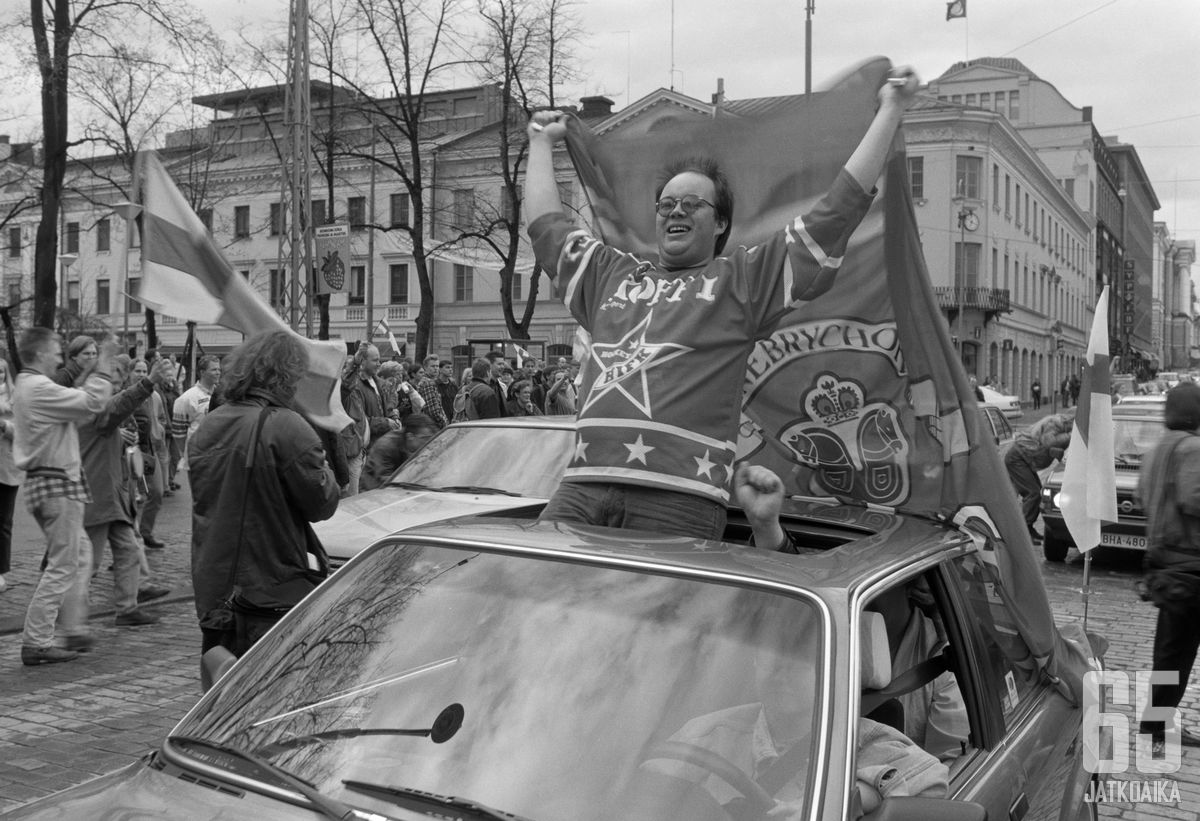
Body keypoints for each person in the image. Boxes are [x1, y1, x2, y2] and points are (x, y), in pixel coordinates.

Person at [524, 69, 920, 539]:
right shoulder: (610, 276)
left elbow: (836, 211)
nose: (675, 211)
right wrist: (539, 144)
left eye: (692, 204)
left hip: (679, 498)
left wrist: (891, 111)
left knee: (666, 614)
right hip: (582, 487)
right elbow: (548, 229)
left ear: (719, 224)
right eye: (666, 204)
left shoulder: (741, 281)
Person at [189, 330, 340, 657]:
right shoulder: (286, 426)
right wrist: (326, 463)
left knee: (220, 693)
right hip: (266, 591)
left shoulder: (209, 425)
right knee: (269, 694)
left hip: (214, 586)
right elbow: (323, 502)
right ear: (287, 376)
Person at [14, 329, 115, 665]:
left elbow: (77, 406)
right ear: (41, 353)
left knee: (80, 555)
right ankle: (37, 641)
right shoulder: (37, 387)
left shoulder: (30, 386)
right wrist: (103, 367)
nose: (60, 357)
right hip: (57, 486)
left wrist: (91, 372)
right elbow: (90, 403)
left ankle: (72, 627)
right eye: (56, 350)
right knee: (63, 564)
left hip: (49, 485)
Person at [79, 354, 174, 628]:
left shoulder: (94, 404)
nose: (111, 383)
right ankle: (69, 618)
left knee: (128, 550)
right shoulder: (91, 406)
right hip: (96, 496)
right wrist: (149, 382)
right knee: (89, 563)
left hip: (110, 496)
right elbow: (116, 408)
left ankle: (127, 608)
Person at [1136, 383, 1200, 750]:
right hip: (1191, 564)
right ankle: (1158, 725)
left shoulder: (1159, 448)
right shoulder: (1192, 448)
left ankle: (1156, 723)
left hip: (1165, 563)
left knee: (1171, 651)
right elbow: (1195, 500)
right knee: (1177, 652)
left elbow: (1142, 495)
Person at [1004, 410, 1075, 545]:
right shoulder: (1054, 423)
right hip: (1017, 458)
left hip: (1024, 458)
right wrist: (1072, 435)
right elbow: (1049, 442)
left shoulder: (1062, 427)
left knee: (1037, 492)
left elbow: (1050, 448)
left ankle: (1028, 528)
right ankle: (1023, 533)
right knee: (1033, 493)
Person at [341, 343, 401, 495]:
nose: (379, 364)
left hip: (378, 449)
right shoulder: (355, 386)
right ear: (363, 361)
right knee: (356, 500)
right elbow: (361, 420)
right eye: (375, 360)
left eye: (379, 360)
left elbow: (387, 407)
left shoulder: (378, 383)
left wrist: (393, 415)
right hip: (361, 450)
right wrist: (386, 423)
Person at [130, 359, 170, 547]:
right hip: (131, 452)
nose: (141, 373)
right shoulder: (127, 395)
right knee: (127, 500)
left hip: (152, 449)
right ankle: (127, 543)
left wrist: (159, 429)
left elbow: (161, 417)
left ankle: (145, 531)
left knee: (157, 492)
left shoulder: (154, 396)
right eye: (137, 370)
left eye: (144, 370)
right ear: (130, 373)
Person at [360, 413, 439, 492]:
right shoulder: (386, 446)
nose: (429, 442)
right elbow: (386, 481)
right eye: (425, 438)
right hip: (372, 492)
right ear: (410, 436)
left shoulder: (417, 446)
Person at [172, 354, 221, 474]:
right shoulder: (187, 399)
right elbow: (179, 434)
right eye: (214, 369)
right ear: (202, 372)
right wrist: (190, 453)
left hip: (220, 458)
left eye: (219, 369)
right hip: (198, 460)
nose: (218, 373)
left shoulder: (224, 394)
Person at [0, 355, 22, 594]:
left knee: (4, 523)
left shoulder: (15, 399)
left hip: (7, 467)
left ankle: (0, 572)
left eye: (1, 371)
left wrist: (5, 426)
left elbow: (23, 433)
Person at [415, 355, 449, 428]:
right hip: (432, 425)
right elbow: (433, 410)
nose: (436, 369)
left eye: (437, 366)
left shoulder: (427, 381)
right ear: (425, 367)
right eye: (433, 366)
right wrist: (444, 423)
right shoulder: (428, 383)